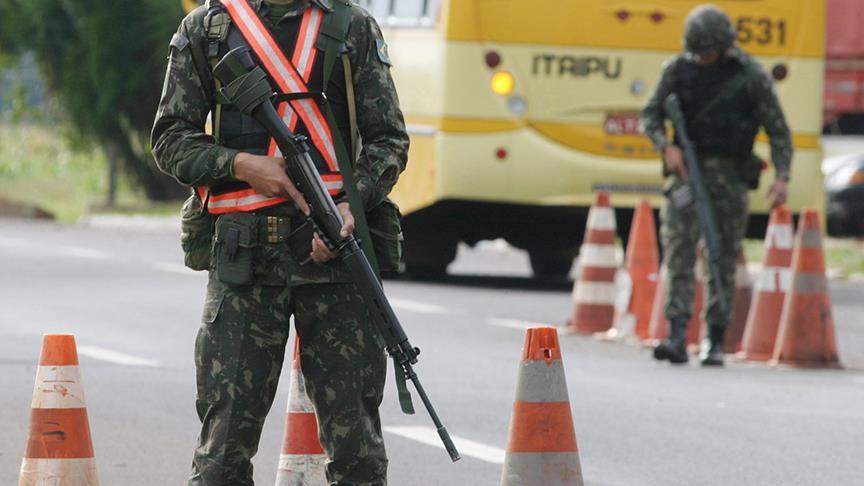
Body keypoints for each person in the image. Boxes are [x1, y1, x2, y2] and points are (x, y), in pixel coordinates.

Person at [151, 0, 409, 484]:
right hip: (244, 266)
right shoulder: (209, 29)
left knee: (358, 458)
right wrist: (241, 165)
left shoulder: (350, 27)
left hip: (336, 265)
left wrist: (350, 208)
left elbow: (389, 140)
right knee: (222, 457)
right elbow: (170, 140)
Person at [640, 4, 792, 367]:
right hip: (686, 176)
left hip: (729, 180)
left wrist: (782, 176)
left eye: (706, 53)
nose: (701, 60)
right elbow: (650, 114)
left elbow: (778, 130)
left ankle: (716, 338)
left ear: (723, 47)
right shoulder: (678, 70)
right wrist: (666, 147)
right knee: (678, 251)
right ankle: (676, 334)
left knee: (722, 256)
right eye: (697, 53)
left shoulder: (749, 76)